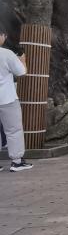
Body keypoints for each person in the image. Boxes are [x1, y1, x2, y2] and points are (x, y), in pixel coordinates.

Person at [0, 32, 32, 172]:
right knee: (13, 130)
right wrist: (22, 59)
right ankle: (17, 162)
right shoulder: (6, 53)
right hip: (7, 98)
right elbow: (21, 72)